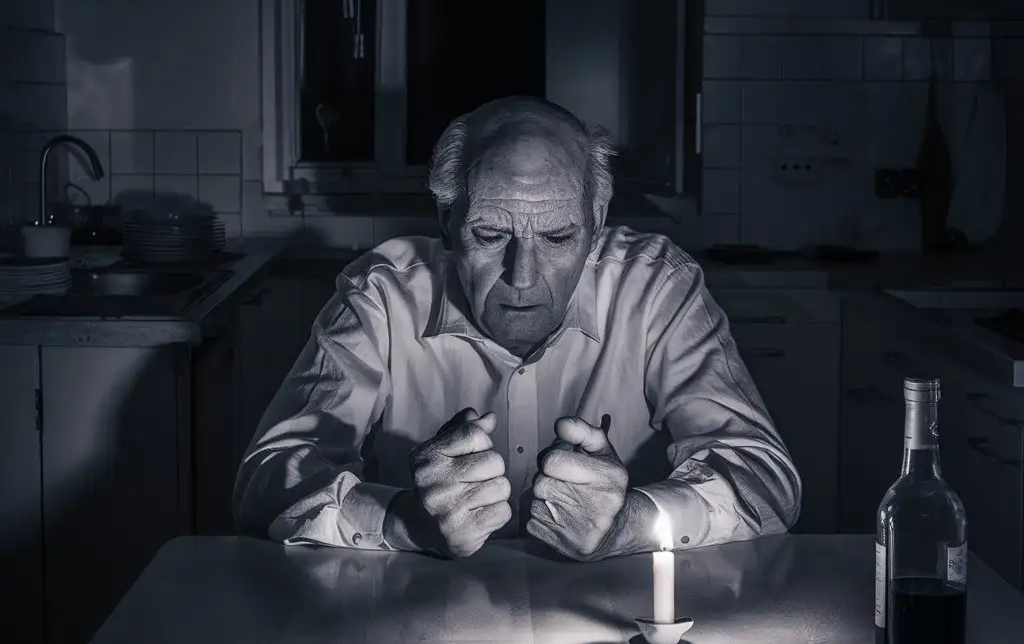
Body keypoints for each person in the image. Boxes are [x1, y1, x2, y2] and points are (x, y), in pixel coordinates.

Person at [233, 96, 801, 560]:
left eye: (557, 238)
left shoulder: (656, 288)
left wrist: (631, 521)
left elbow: (767, 480)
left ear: (597, 225)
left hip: (623, 620)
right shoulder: (382, 295)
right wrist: (404, 521)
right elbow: (263, 481)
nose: (522, 277)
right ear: (446, 221)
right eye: (488, 235)